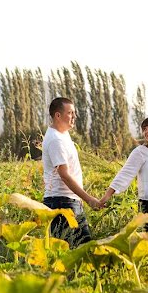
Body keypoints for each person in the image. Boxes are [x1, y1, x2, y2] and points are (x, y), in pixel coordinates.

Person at [42, 97, 101, 247]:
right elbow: (65, 175)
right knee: (75, 250)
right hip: (61, 202)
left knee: (82, 248)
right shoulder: (56, 140)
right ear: (58, 115)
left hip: (69, 200)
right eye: (70, 113)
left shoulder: (63, 135)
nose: (74, 116)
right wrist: (89, 199)